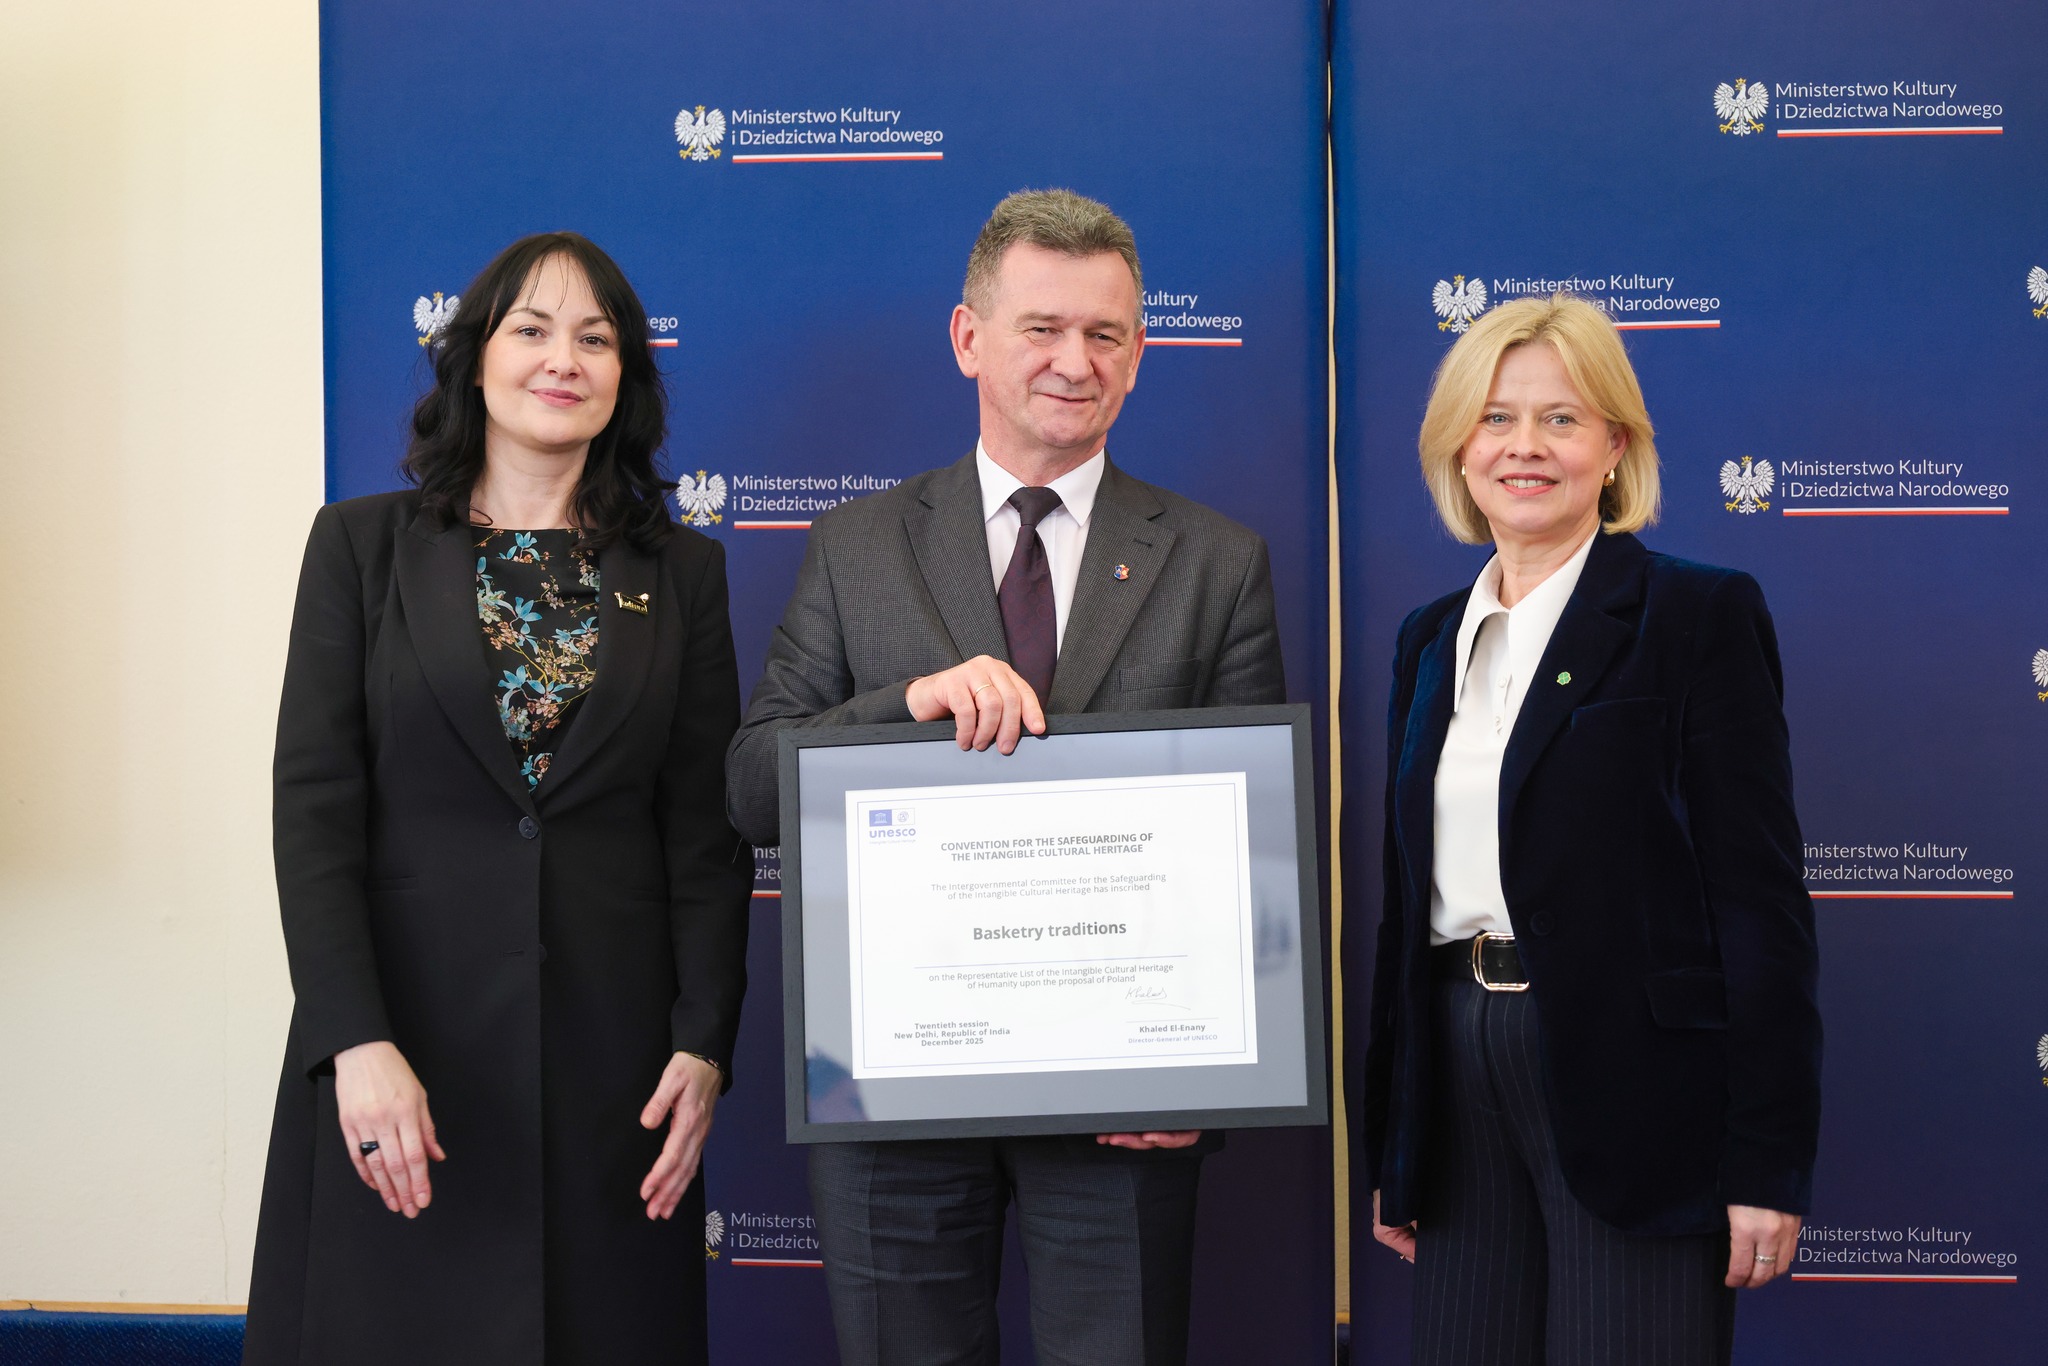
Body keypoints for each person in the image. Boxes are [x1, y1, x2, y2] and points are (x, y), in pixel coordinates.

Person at [724, 188, 1285, 1366]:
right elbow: (752, 791)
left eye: (1104, 334)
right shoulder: (855, 546)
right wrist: (901, 708)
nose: (1074, 362)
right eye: (1042, 328)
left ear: (1138, 353)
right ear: (967, 337)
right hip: (888, 1089)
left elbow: (1255, 854)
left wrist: (1208, 1077)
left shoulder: (1217, 562)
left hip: (1125, 1097)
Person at [243, 232, 752, 1366]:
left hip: (612, 1071)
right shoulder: (359, 548)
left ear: (624, 377)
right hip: (403, 1058)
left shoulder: (684, 573)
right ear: (475, 358)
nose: (561, 358)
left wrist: (704, 1044)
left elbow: (704, 838)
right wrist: (352, 1039)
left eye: (594, 338)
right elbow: (313, 812)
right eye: (531, 329)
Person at [1357, 293, 1821, 1365]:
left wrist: (1766, 1160)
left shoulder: (1696, 615)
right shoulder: (1427, 641)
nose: (1524, 446)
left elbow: (1759, 910)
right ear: (1457, 445)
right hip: (1456, 1081)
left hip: (1636, 1092)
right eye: (1495, 418)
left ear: (1614, 447)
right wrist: (1396, 1140)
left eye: (1560, 419)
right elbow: (1403, 906)